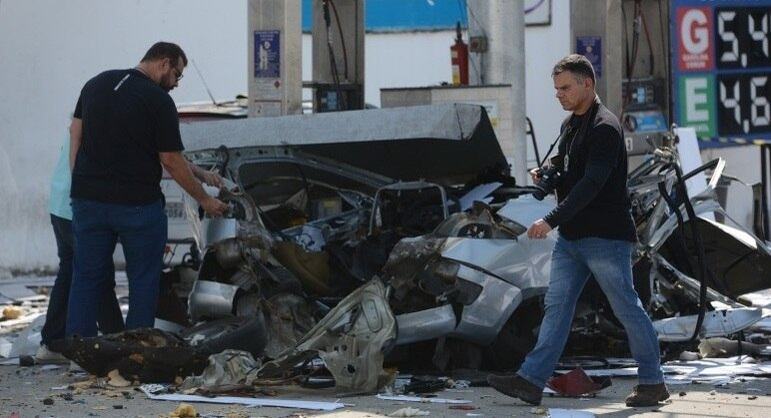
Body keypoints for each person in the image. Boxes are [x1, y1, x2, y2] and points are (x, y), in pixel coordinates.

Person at [487, 54, 668, 407]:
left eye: (566, 87)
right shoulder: (572, 125)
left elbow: (591, 184)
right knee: (556, 308)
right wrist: (548, 171)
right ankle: (530, 380)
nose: (560, 95)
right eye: (556, 89)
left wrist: (550, 219)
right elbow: (568, 165)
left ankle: (652, 382)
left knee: (627, 308)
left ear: (588, 83)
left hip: (604, 238)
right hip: (572, 239)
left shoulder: (605, 127)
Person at [66, 42, 227, 338]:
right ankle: (135, 350)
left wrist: (81, 181)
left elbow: (76, 134)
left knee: (87, 278)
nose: (176, 84)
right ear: (164, 63)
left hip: (89, 201)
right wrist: (204, 199)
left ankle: (80, 349)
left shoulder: (96, 84)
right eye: (177, 75)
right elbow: (169, 159)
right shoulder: (158, 101)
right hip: (137, 207)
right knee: (143, 281)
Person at [35, 133, 125, 364]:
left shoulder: (84, 114)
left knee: (70, 272)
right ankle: (117, 342)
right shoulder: (103, 117)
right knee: (97, 275)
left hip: (60, 203)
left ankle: (53, 342)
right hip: (76, 206)